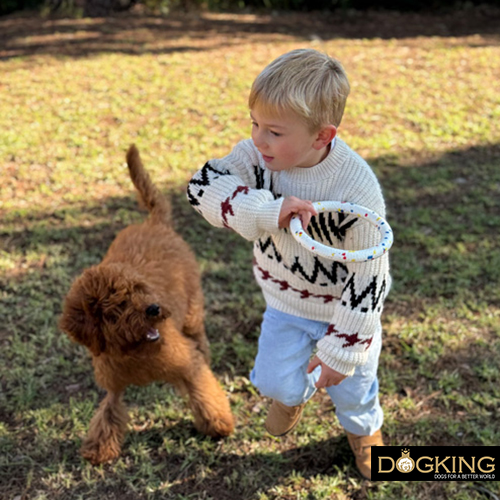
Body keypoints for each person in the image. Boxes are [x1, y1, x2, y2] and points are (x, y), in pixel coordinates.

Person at [186, 48, 391, 480]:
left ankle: (365, 434)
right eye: (254, 123)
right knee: (272, 380)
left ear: (322, 136)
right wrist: (265, 210)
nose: (259, 140)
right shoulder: (259, 158)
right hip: (286, 304)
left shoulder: (355, 189)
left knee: (353, 391)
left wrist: (342, 349)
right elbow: (201, 186)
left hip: (343, 312)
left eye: (274, 131)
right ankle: (290, 396)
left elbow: (370, 277)